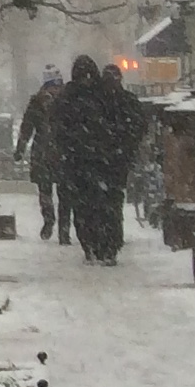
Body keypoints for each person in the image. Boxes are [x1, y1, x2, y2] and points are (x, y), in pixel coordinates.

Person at [53, 54, 147, 265]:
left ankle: (99, 245)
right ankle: (103, 245)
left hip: (91, 163)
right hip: (101, 162)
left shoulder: (74, 97)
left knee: (93, 207)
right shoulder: (102, 96)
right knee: (103, 206)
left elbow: (59, 129)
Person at [15, 66, 67, 243]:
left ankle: (64, 229)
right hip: (43, 153)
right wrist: (20, 148)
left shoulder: (67, 101)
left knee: (65, 193)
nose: (56, 89)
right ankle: (49, 219)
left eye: (58, 85)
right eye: (53, 86)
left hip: (62, 152)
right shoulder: (36, 103)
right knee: (45, 191)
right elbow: (27, 127)